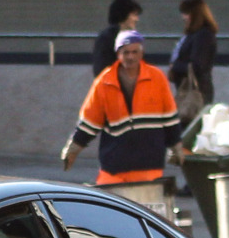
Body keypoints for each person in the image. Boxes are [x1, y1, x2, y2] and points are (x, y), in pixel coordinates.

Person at [61, 26, 180, 189]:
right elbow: (90, 121)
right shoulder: (105, 81)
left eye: (134, 52)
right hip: (115, 165)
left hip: (148, 164)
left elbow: (170, 117)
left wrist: (176, 145)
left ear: (141, 53)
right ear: (118, 54)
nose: (130, 57)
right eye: (125, 52)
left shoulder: (157, 78)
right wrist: (73, 148)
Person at [168, 0, 218, 114]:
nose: (183, 18)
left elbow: (198, 66)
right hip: (189, 87)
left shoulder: (203, 35)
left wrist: (175, 66)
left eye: (186, 13)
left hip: (197, 90)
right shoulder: (194, 34)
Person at [89, 0, 141, 75]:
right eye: (134, 15)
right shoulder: (106, 39)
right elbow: (101, 70)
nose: (137, 19)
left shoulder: (132, 39)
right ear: (124, 15)